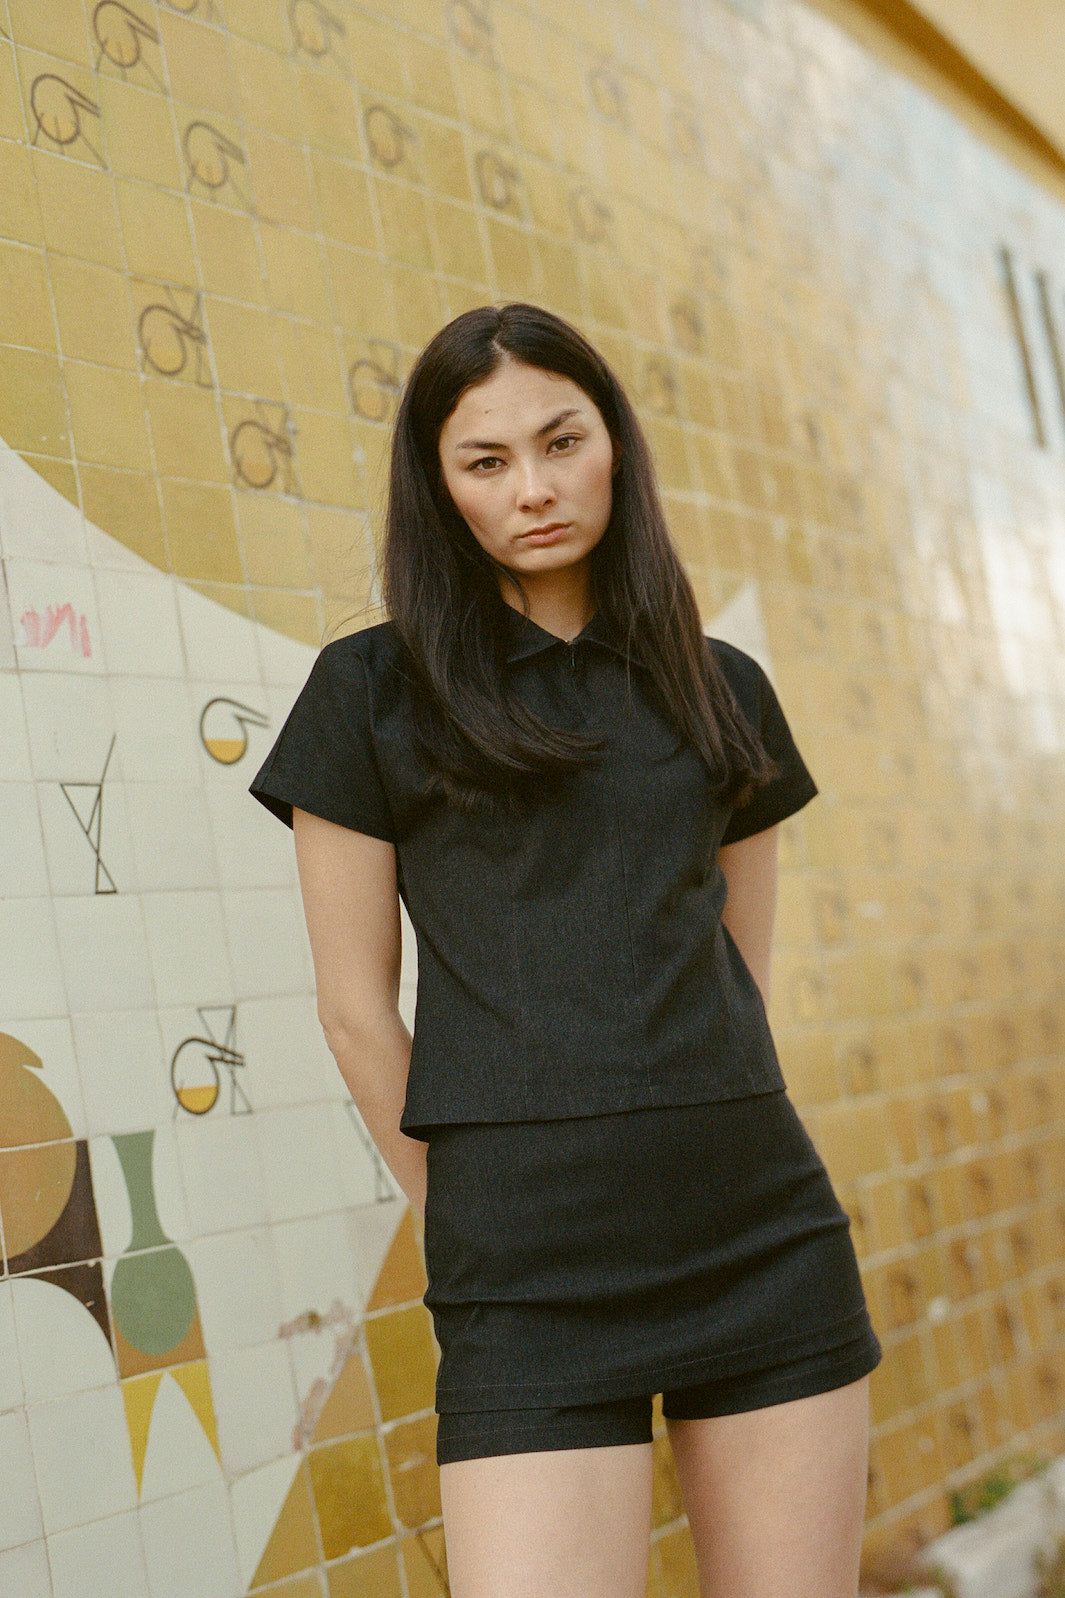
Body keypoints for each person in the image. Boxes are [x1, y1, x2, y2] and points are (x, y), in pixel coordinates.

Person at [250, 302, 881, 1598]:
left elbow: (734, 976)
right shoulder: (369, 693)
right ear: (438, 484)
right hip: (522, 1270)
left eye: (560, 440)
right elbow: (355, 1012)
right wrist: (468, 1209)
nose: (531, 488)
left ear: (614, 445)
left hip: (754, 1229)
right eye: (484, 461)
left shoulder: (720, 689)